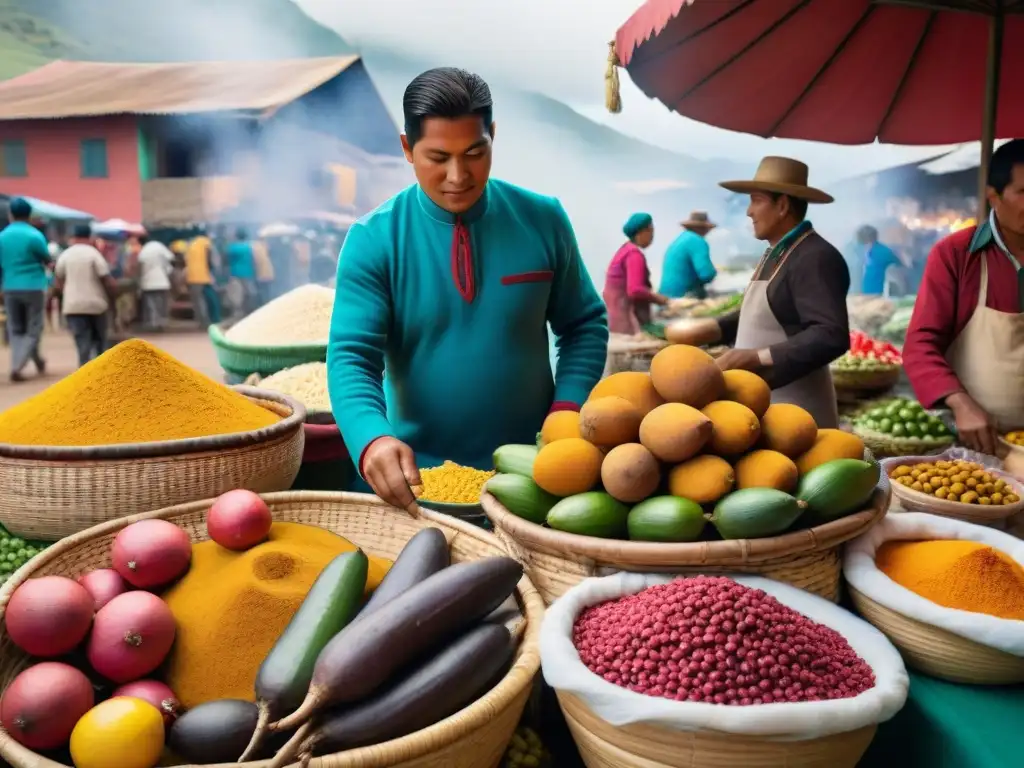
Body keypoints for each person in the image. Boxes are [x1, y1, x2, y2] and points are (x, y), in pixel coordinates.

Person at [328, 67, 608, 509]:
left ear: (493, 137)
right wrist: (371, 439)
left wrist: (567, 408)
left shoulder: (543, 219)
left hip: (535, 473)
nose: (458, 175)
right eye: (438, 158)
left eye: (475, 152)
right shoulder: (374, 239)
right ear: (406, 148)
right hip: (416, 479)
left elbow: (584, 325)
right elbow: (351, 357)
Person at [669, 157, 850, 428]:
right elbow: (766, 312)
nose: (749, 212)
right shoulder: (780, 252)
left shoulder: (815, 256)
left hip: (797, 416)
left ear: (783, 206)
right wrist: (716, 328)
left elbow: (830, 334)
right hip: (765, 408)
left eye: (756, 200)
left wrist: (757, 357)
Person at [902, 139, 1024, 455]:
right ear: (993, 196)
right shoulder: (957, 254)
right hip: (975, 442)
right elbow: (920, 345)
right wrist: (960, 402)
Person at [0, 197, 51, 381]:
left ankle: (36, 361)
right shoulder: (35, 236)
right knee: (34, 328)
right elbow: (47, 259)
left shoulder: (2, 237)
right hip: (34, 287)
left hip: (10, 287)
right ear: (29, 215)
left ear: (10, 214)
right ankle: (17, 366)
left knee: (16, 329)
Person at [53, 225, 118, 367]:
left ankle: (84, 371)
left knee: (82, 341)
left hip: (73, 306)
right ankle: (100, 372)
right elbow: (106, 280)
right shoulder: (94, 254)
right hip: (96, 305)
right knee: (99, 342)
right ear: (90, 237)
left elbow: (58, 283)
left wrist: (64, 296)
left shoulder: (65, 255)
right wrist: (113, 298)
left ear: (73, 238)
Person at [603, 213, 669, 334]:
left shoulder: (624, 250)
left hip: (613, 319)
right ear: (642, 232)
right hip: (627, 322)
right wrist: (662, 300)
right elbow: (635, 289)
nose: (652, 236)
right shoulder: (634, 255)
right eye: (651, 231)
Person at [659, 211, 718, 299]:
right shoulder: (698, 241)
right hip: (681, 296)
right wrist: (714, 271)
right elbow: (706, 274)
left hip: (664, 295)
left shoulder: (680, 239)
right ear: (704, 228)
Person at [136, 235, 174, 331]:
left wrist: (139, 282)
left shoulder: (143, 252)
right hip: (163, 281)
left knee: (151, 304)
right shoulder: (158, 245)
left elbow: (140, 269)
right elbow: (171, 258)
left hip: (148, 283)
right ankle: (162, 323)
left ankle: (153, 324)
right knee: (162, 304)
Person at [184, 230, 221, 329]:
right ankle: (214, 320)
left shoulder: (190, 244)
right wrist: (215, 273)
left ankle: (202, 322)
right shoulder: (207, 243)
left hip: (192, 276)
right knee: (211, 299)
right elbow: (213, 260)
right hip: (206, 275)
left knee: (198, 301)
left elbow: (185, 260)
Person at [856, 225, 902, 295]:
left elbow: (899, 266)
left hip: (878, 293)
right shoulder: (859, 251)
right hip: (863, 293)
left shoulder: (884, 252)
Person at [226, 228, 258, 317]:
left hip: (235, 273)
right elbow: (254, 260)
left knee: (237, 295)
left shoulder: (232, 247)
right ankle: (249, 312)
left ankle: (238, 313)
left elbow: (226, 261)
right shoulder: (249, 246)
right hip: (248, 273)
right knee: (249, 293)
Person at [252, 238, 275, 306]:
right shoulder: (263, 247)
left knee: (262, 292)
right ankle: (266, 304)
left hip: (261, 274)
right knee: (266, 291)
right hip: (266, 274)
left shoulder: (255, 247)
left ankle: (263, 305)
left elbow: (255, 261)